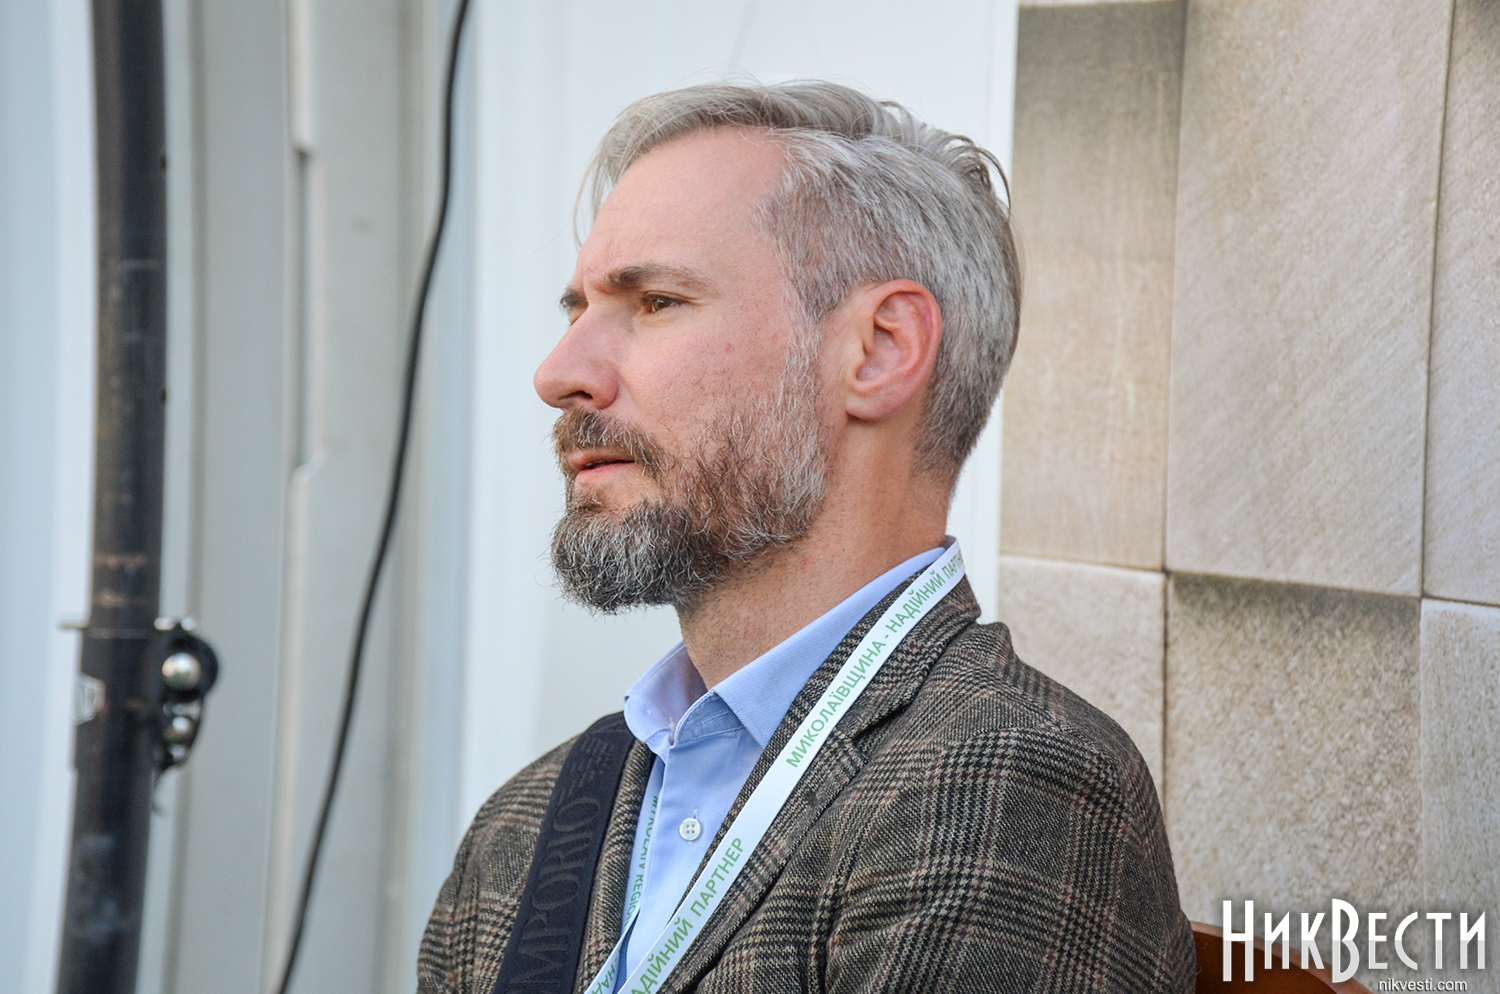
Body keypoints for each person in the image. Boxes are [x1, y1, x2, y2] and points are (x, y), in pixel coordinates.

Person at [418, 81, 1195, 994]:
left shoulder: (1006, 787)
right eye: (576, 311)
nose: (559, 374)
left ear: (880, 350)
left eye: (656, 301)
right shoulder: (531, 825)